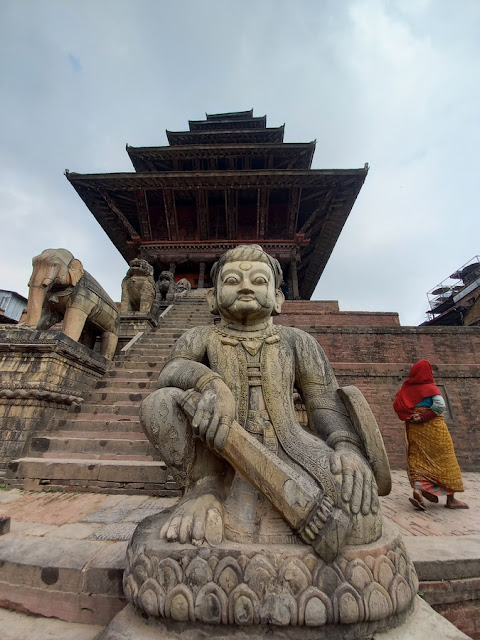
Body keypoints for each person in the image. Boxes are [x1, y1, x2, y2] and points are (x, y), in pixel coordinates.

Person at [140, 244, 382, 560]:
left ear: (278, 299)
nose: (244, 286)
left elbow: (323, 402)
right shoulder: (202, 336)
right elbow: (172, 370)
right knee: (160, 403)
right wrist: (212, 384)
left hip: (294, 451)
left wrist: (347, 449)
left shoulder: (298, 341)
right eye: (231, 281)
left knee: (360, 511)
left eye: (257, 280)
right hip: (220, 456)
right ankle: (203, 491)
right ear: (212, 298)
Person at [393, 359, 468, 511]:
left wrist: (412, 416)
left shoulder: (406, 388)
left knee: (419, 460)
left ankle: (419, 489)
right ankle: (451, 499)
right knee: (446, 461)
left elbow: (398, 405)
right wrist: (423, 417)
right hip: (434, 429)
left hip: (415, 430)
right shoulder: (430, 388)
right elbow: (440, 406)